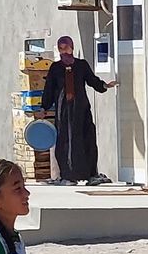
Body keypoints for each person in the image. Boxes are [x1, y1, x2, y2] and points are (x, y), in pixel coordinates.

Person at [40, 36, 116, 186]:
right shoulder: (55, 68)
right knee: (65, 141)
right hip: (64, 112)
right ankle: (67, 176)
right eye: (61, 48)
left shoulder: (81, 65)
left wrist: (105, 86)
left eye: (66, 47)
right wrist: (44, 107)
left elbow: (92, 80)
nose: (64, 51)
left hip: (81, 110)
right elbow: (49, 89)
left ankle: (90, 174)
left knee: (87, 138)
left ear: (72, 47)